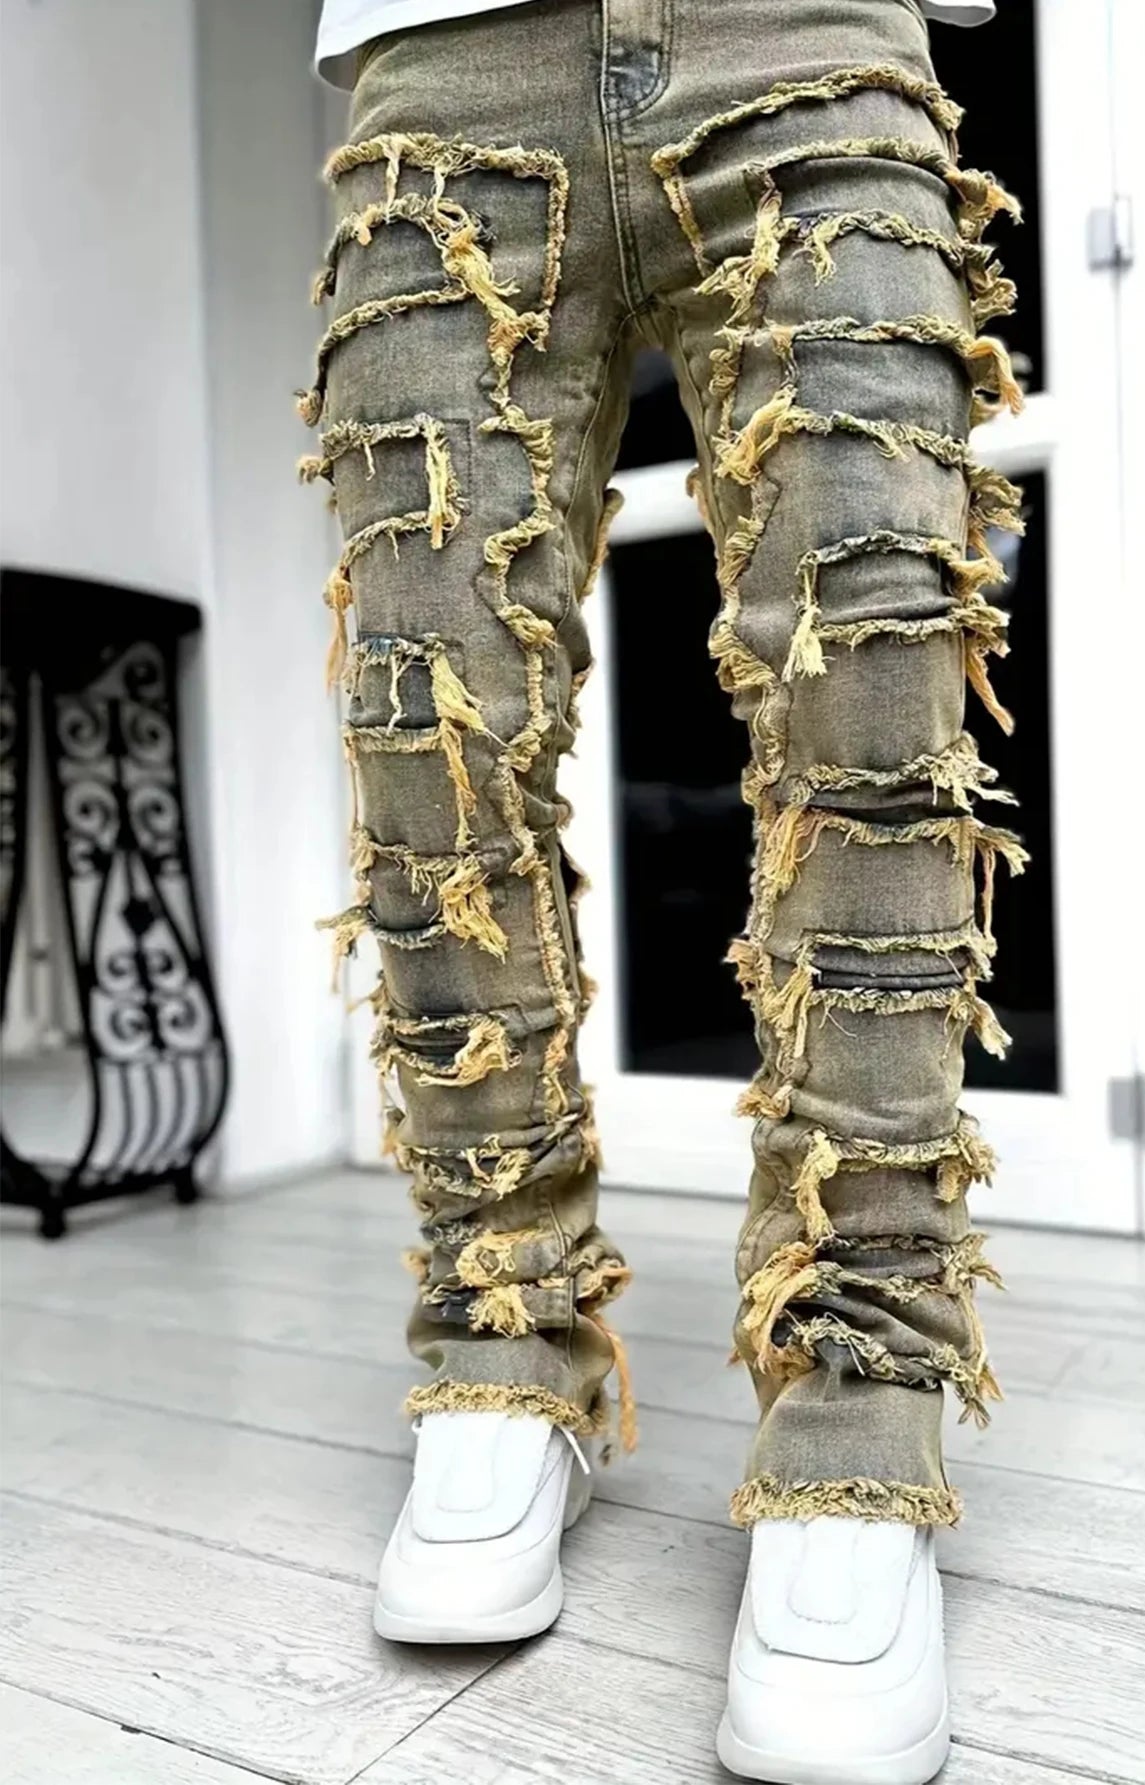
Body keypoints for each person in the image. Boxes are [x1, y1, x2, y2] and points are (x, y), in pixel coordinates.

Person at [304, 3, 1020, 1779]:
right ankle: (503, 1333)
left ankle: (861, 1397)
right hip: (442, 54)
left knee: (877, 705)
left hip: (807, 37)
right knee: (431, 719)